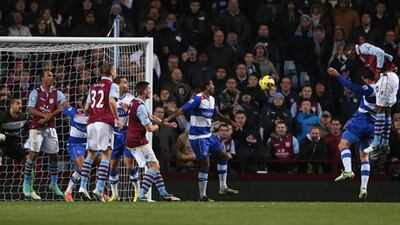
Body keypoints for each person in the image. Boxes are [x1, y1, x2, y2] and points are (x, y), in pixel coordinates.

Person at [164, 79, 240, 201]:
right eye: (212, 84)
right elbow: (182, 109)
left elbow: (216, 114)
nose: (213, 86)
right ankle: (202, 196)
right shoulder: (198, 98)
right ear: (207, 87)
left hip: (208, 135)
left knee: (223, 157)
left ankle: (223, 187)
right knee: (205, 164)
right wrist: (167, 119)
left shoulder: (212, 99)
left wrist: (231, 122)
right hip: (198, 137)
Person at [327, 67, 380, 199]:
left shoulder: (370, 89)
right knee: (364, 156)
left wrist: (338, 76)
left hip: (361, 119)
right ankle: (363, 187)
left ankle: (348, 170)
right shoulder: (388, 89)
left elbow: (351, 87)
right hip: (373, 124)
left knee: (343, 144)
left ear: (366, 79)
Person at [126, 81, 180, 202]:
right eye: (149, 89)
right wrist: (156, 127)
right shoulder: (140, 106)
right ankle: (142, 196)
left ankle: (163, 193)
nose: (150, 91)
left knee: (154, 165)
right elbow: (149, 128)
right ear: (145, 91)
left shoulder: (136, 102)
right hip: (138, 140)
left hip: (132, 139)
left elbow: (150, 116)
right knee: (154, 166)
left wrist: (167, 124)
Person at [79, 63, 122, 202]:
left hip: (91, 123)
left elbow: (86, 108)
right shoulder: (113, 85)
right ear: (111, 71)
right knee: (106, 154)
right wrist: (117, 119)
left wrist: (95, 113)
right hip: (104, 122)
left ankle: (82, 187)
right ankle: (99, 188)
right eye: (115, 69)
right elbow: (111, 102)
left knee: (90, 154)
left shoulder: (93, 86)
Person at [22, 70, 68, 199]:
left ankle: (53, 183)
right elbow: (30, 109)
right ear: (42, 78)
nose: (52, 77)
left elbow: (60, 108)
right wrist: (44, 115)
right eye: (49, 75)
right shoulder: (35, 92)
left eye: (52, 76)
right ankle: (26, 183)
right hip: (36, 127)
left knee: (54, 156)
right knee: (33, 154)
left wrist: (49, 117)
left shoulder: (56, 92)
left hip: (50, 128)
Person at [354, 43, 399, 154]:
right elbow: (387, 55)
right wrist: (389, 62)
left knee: (380, 109)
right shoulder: (368, 61)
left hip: (386, 77)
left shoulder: (362, 48)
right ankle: (384, 142)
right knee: (387, 111)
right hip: (392, 77)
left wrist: (378, 72)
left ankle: (376, 142)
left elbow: (379, 52)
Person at [62, 96, 107, 202]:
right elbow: (62, 108)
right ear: (83, 105)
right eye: (88, 105)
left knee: (103, 163)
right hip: (75, 144)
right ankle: (73, 191)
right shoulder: (75, 113)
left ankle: (100, 191)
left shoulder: (97, 115)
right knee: (83, 168)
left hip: (89, 144)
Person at [108, 77, 139, 202]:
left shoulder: (130, 99)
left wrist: (130, 110)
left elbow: (137, 113)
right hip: (115, 135)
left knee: (129, 164)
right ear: (117, 85)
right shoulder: (111, 99)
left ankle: (137, 192)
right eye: (124, 82)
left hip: (127, 134)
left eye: (126, 83)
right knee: (112, 166)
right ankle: (114, 194)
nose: (127, 85)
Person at [0, 98, 28, 165]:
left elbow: (29, 130)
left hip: (12, 144)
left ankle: (27, 174)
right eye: (18, 103)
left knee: (27, 159)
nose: (21, 105)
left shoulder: (23, 118)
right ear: (11, 105)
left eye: (21, 104)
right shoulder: (2, 116)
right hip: (1, 144)